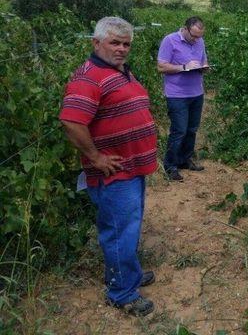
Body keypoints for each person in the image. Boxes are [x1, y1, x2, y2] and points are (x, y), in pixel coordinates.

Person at [59, 16, 157, 317]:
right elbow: (71, 121)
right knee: (119, 231)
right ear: (96, 42)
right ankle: (122, 293)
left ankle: (127, 274)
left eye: (126, 44)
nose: (122, 49)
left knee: (128, 226)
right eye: (115, 42)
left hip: (131, 168)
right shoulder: (88, 77)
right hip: (113, 172)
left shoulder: (118, 70)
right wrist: (97, 158)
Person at [157, 16, 208, 181]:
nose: (196, 39)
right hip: (177, 94)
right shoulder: (170, 40)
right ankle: (170, 166)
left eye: (199, 36)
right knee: (179, 131)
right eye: (193, 35)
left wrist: (204, 68)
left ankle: (185, 160)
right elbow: (161, 66)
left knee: (192, 130)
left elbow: (203, 60)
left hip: (196, 92)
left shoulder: (200, 41)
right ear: (185, 29)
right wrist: (183, 67)